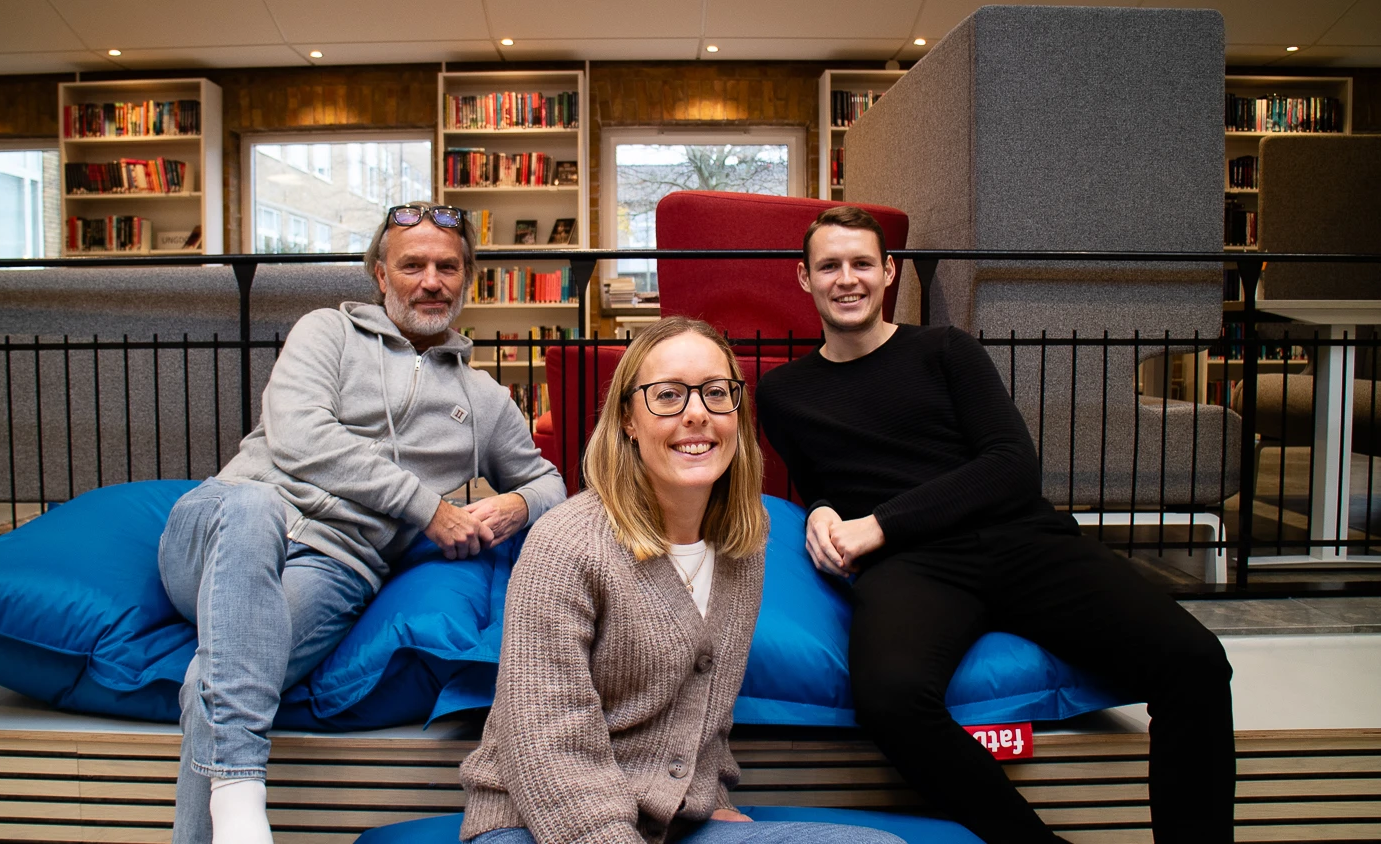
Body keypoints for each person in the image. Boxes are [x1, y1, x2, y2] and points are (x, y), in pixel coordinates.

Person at [756, 206, 1235, 844]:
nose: (848, 279)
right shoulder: (784, 392)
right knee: (890, 699)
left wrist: (880, 524)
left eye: (863, 263)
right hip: (912, 570)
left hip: (1017, 540)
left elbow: (1011, 466)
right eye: (830, 266)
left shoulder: (944, 349)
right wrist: (820, 509)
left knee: (1198, 662)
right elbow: (820, 479)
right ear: (804, 278)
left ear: (889, 271)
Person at [158, 202, 567, 844]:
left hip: (334, 565)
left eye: (448, 267)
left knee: (205, 679)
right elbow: (299, 436)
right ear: (380, 274)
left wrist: (516, 506)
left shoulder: (484, 400)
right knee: (255, 505)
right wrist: (427, 508)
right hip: (224, 525)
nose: (431, 280)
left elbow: (551, 483)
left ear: (467, 281)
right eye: (412, 265)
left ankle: (228, 817)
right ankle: (240, 794)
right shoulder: (327, 331)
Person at [458, 317, 906, 844]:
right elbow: (547, 743)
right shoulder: (566, 543)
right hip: (540, 823)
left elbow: (706, 718)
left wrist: (708, 799)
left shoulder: (745, 543)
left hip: (673, 823)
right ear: (627, 418)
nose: (697, 414)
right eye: (668, 395)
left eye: (717, 393)